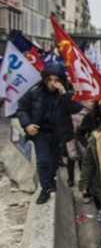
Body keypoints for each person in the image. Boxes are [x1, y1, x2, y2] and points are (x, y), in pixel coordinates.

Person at [16, 63, 83, 204]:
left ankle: (51, 179)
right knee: (43, 161)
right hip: (41, 132)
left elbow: (75, 108)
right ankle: (45, 188)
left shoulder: (66, 95)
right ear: (45, 80)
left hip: (58, 133)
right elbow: (22, 109)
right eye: (50, 80)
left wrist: (64, 93)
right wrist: (27, 124)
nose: (53, 84)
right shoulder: (35, 93)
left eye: (56, 80)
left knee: (54, 160)